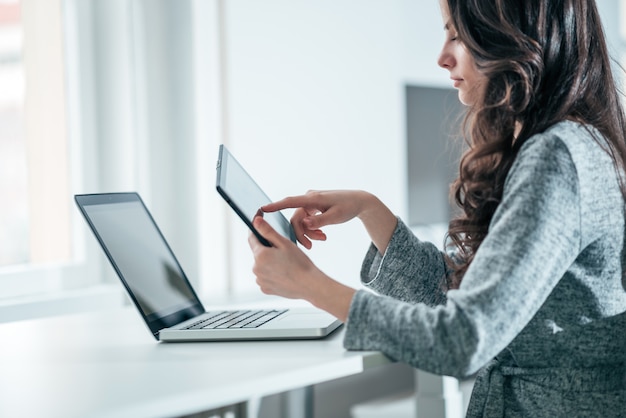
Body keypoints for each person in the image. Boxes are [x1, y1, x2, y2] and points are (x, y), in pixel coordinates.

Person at [247, 0, 626, 416]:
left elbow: (462, 339)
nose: (442, 57)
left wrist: (309, 285)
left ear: (515, 36)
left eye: (458, 35)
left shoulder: (557, 159)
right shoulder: (572, 146)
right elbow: (468, 299)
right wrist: (370, 211)